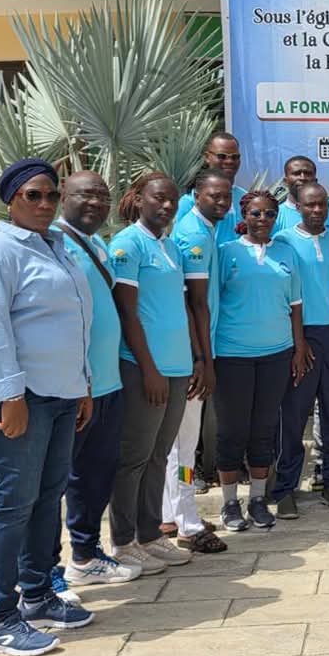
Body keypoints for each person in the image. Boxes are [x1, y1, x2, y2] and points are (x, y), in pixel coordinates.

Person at [0, 159, 96, 656]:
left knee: (46, 497)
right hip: (13, 395)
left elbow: (73, 322)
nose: (44, 204)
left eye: (51, 196)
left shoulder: (56, 246)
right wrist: (10, 396)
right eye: (32, 195)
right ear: (11, 199)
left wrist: (81, 385)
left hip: (60, 393)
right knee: (10, 504)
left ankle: (38, 596)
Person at [53, 172, 140, 588]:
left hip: (108, 383)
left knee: (96, 475)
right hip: (74, 387)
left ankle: (85, 557)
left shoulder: (100, 243)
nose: (95, 203)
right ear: (62, 196)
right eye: (85, 194)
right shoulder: (53, 244)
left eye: (102, 196)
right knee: (56, 483)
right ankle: (45, 574)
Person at [109, 172, 197, 574]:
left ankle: (150, 534)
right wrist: (149, 369)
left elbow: (179, 307)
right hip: (148, 369)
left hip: (178, 368)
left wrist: (194, 360)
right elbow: (128, 311)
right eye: (159, 198)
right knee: (134, 458)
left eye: (172, 201)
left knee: (159, 456)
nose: (166, 206)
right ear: (139, 198)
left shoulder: (172, 247)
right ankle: (123, 542)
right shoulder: (128, 243)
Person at [215, 190, 308, 531]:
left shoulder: (286, 252)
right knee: (231, 431)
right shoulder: (226, 253)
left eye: (270, 214)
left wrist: (298, 348)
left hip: (276, 354)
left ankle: (256, 498)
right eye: (256, 214)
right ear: (244, 215)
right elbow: (208, 302)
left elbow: (295, 304)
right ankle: (228, 503)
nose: (263, 220)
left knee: (264, 430)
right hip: (232, 355)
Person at [160, 169, 230, 554]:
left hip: (193, 353)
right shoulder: (193, 234)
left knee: (178, 443)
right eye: (213, 196)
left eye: (225, 197)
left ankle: (171, 513)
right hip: (191, 356)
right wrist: (203, 359)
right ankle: (186, 521)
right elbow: (196, 304)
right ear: (196, 195)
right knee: (183, 445)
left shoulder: (205, 230)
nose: (221, 202)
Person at [274, 182, 329, 515]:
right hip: (301, 337)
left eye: (322, 204)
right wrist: (298, 342)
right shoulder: (284, 242)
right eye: (310, 205)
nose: (317, 210)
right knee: (293, 416)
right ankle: (285, 487)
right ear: (299, 206)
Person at [176, 131, 247, 246]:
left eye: (235, 157)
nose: (229, 161)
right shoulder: (190, 200)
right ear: (207, 157)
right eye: (222, 156)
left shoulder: (244, 198)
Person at [272, 155, 329, 235]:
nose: (302, 178)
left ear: (315, 181)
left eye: (307, 174)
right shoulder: (274, 218)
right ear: (285, 181)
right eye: (296, 173)